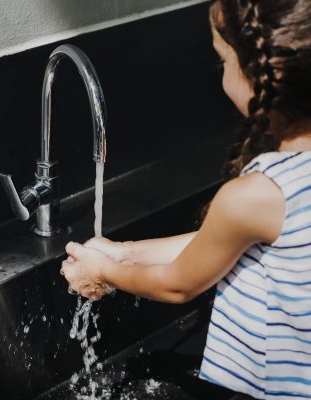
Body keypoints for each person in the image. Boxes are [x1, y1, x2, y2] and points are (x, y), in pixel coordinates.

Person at [61, 0, 311, 399]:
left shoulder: (257, 195)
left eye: (223, 60)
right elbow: (221, 244)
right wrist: (124, 253)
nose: (222, 74)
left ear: (261, 74)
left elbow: (178, 285)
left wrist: (105, 273)